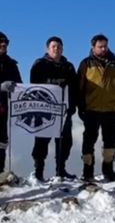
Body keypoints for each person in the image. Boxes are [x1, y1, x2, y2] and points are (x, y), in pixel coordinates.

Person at [77, 34, 115, 182]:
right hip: (91, 109)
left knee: (110, 142)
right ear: (93, 47)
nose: (103, 49)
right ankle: (87, 172)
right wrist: (80, 106)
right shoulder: (86, 63)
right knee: (88, 142)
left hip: (111, 109)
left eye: (105, 46)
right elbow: (79, 87)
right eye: (100, 46)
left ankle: (108, 170)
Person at [30, 36, 78, 181]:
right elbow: (33, 87)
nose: (56, 49)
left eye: (59, 47)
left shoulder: (68, 66)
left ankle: (60, 170)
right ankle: (38, 172)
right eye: (53, 46)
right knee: (41, 142)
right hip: (43, 110)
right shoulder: (39, 65)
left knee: (65, 141)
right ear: (47, 49)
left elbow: (74, 88)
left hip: (63, 109)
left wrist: (72, 107)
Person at [0, 31, 23, 180]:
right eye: (0, 41)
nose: (3, 44)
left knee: (1, 142)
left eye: (6, 42)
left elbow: (20, 85)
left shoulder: (11, 64)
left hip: (3, 108)